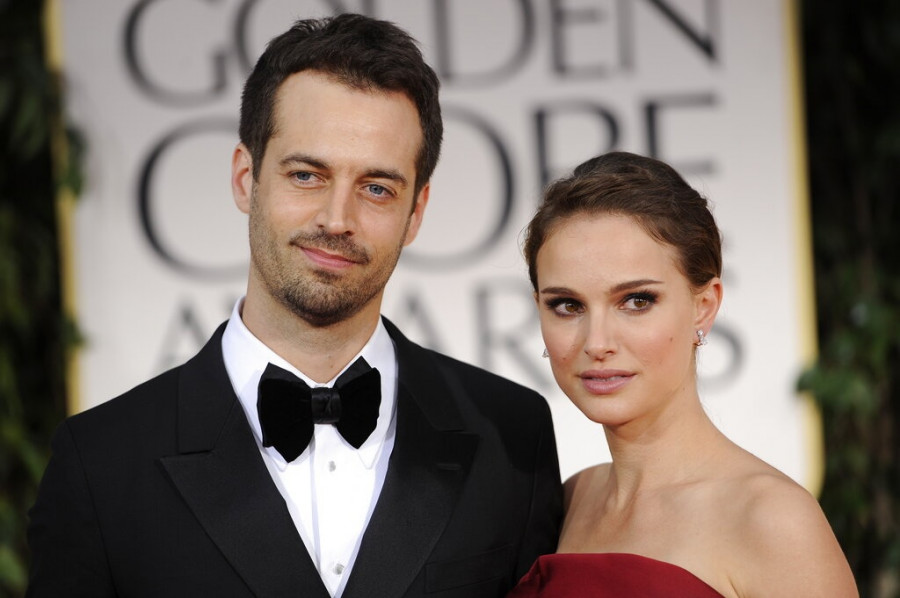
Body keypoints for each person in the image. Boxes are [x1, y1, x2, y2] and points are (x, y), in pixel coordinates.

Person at [27, 14, 562, 598]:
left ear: (416, 212)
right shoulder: (100, 461)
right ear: (245, 178)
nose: (338, 219)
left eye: (377, 188)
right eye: (307, 175)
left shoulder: (512, 435)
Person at [508, 152, 858, 597]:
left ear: (704, 306)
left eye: (636, 301)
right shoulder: (574, 499)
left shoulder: (771, 519)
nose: (597, 343)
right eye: (567, 305)